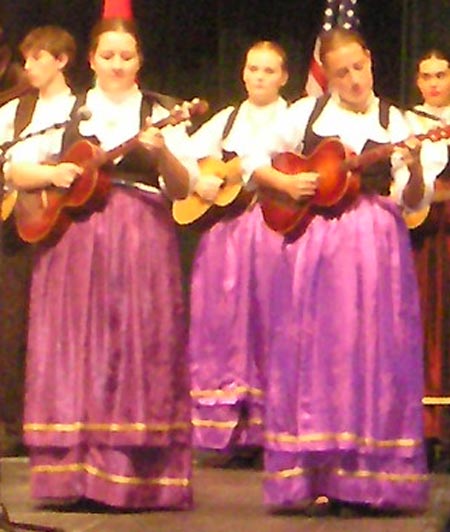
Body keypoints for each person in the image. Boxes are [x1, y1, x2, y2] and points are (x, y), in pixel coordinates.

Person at [244, 28, 445, 514]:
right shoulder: (305, 116)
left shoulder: (396, 120)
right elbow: (252, 160)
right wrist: (286, 184)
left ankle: (370, 479)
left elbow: (412, 197)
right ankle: (317, 472)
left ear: (371, 61)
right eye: (341, 73)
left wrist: (415, 167)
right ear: (327, 77)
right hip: (315, 247)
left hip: (376, 244)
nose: (353, 79)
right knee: (317, 353)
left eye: (359, 67)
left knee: (373, 353)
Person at [5, 17, 195, 510]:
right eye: (107, 56)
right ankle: (70, 478)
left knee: (135, 345)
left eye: (126, 57)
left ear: (139, 62)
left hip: (141, 241)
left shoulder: (160, 112)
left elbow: (183, 187)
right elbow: (16, 167)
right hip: (72, 242)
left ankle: (133, 477)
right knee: (75, 347)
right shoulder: (67, 110)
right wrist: (55, 170)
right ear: (91, 60)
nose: (116, 65)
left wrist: (161, 158)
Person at [186, 41, 287, 464]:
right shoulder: (226, 120)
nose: (259, 76)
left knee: (271, 324)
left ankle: (274, 426)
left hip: (275, 233)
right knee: (225, 329)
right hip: (226, 239)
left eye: (269, 70)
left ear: (284, 77)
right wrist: (199, 181)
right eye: (253, 69)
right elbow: (184, 156)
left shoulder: (294, 118)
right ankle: (230, 430)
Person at [0, 25, 77, 457]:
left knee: (54, 324)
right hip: (14, 225)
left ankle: (56, 419)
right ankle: (14, 426)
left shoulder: (78, 110)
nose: (27, 68)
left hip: (57, 223)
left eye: (37, 59)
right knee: (11, 324)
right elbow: (9, 165)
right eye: (25, 59)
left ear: (61, 61)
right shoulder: (15, 111)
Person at [407, 49, 450, 469]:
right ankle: (428, 427)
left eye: (441, 75)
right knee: (426, 325)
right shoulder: (408, 124)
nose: (434, 83)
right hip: (423, 240)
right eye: (426, 76)